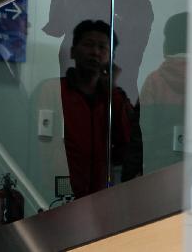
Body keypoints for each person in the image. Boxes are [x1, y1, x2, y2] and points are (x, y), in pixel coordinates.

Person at [59, 20, 142, 198]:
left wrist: (111, 89)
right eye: (88, 45)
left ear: (111, 57)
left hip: (100, 195)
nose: (95, 52)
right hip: (59, 192)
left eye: (103, 47)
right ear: (73, 51)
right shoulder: (55, 91)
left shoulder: (115, 97)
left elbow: (126, 145)